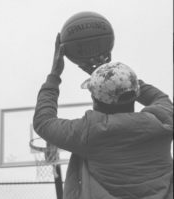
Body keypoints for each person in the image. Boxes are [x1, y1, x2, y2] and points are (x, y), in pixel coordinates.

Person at [33, 33, 173, 199]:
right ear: (135, 93)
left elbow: (43, 121)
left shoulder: (90, 132)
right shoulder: (163, 121)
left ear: (95, 100)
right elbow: (159, 98)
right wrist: (114, 73)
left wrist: (54, 75)